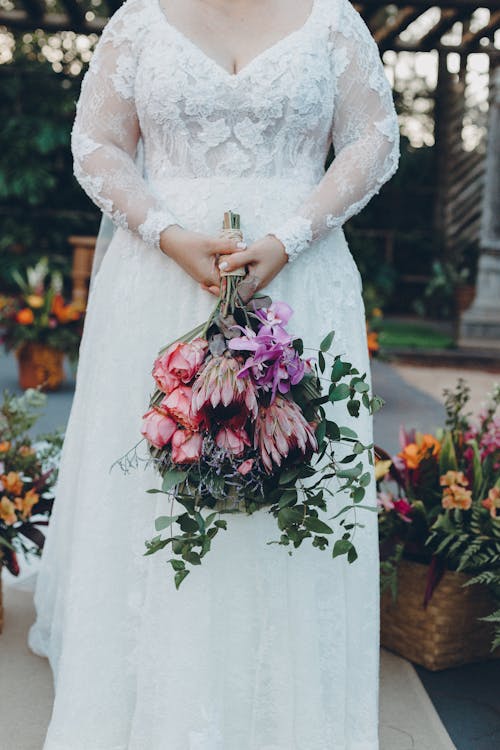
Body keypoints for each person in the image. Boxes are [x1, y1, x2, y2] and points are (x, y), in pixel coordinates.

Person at [29, 0, 400, 747]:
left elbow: (373, 141)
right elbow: (96, 141)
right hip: (161, 285)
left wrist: (290, 236)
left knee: (286, 489)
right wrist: (163, 231)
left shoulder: (331, 19)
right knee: (154, 495)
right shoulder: (139, 18)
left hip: (300, 285)